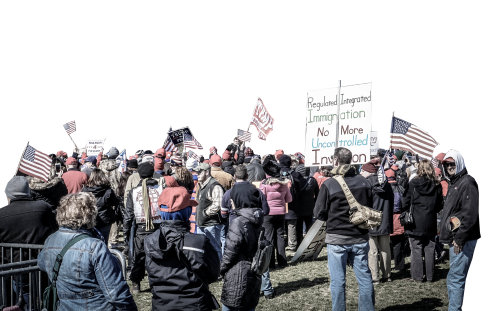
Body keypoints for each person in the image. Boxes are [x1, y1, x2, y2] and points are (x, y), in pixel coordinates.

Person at [37, 192, 137, 310]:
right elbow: (116, 294)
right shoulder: (95, 246)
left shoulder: (50, 240)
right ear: (90, 214)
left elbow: (42, 264)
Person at [313, 147, 375, 311]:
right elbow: (369, 208)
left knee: (338, 281)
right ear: (351, 160)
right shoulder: (364, 182)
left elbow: (318, 212)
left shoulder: (330, 183)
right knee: (364, 278)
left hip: (337, 238)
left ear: (335, 160)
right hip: (359, 237)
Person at [145, 186, 220, 311]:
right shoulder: (199, 242)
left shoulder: (149, 241)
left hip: (162, 305)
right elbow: (214, 274)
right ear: (188, 211)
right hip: (195, 305)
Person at [1, 176, 58, 307]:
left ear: (8, 195)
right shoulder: (43, 207)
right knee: (48, 296)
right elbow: (55, 229)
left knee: (29, 302)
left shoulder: (2, 213)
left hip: (17, 268)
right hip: (44, 265)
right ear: (28, 191)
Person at [220, 165, 276, 299]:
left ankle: (239, 288)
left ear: (234, 176)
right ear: (247, 176)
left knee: (236, 261)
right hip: (256, 229)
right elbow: (266, 211)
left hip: (236, 230)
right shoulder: (257, 191)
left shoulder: (229, 193)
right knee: (259, 257)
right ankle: (267, 289)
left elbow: (223, 213)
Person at [439, 150, 479, 310]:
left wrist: (460, 238)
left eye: (452, 163)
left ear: (460, 163)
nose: (449, 167)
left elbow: (470, 214)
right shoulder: (455, 182)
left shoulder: (467, 182)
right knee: (455, 277)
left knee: (455, 278)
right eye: (446, 164)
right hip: (457, 237)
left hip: (462, 240)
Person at [123, 162, 165, 294]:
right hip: (158, 227)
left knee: (138, 257)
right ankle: (158, 283)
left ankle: (136, 284)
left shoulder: (134, 191)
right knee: (158, 256)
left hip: (141, 228)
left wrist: (126, 233)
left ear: (139, 175)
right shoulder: (161, 189)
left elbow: (128, 216)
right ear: (153, 174)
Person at [401, 159, 443, 283]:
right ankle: (430, 276)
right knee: (429, 249)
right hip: (430, 219)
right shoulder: (437, 184)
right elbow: (440, 205)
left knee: (416, 249)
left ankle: (417, 277)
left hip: (415, 220)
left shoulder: (414, 183)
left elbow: (405, 201)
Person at [220, 204, 264, 311]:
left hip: (237, 274)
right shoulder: (257, 220)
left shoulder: (238, 222)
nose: (231, 202)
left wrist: (221, 269)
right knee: (249, 305)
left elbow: (230, 251)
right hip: (253, 272)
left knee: (230, 305)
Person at [360, 159, 394, 285]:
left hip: (371, 220)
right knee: (385, 249)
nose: (361, 174)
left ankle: (375, 277)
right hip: (385, 219)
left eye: (362, 171)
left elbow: (363, 203)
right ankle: (387, 275)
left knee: (372, 251)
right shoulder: (387, 184)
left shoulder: (366, 184)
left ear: (368, 172)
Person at [260, 156, 292, 268]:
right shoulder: (284, 184)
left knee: (269, 237)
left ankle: (271, 263)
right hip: (281, 212)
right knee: (280, 236)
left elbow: (261, 199)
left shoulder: (264, 184)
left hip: (268, 214)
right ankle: (282, 262)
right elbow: (289, 199)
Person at [193, 163, 225, 261]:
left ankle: (218, 271)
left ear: (207, 172)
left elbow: (217, 204)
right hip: (201, 224)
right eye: (197, 172)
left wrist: (205, 214)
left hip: (211, 224)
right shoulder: (201, 185)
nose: (197, 174)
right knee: (202, 249)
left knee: (214, 248)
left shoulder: (215, 186)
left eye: (200, 172)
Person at [80, 168, 120, 246]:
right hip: (104, 220)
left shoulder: (85, 190)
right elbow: (115, 203)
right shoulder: (108, 191)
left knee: (90, 243)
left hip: (90, 219)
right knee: (103, 242)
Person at [280, 154, 304, 252]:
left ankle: (281, 244)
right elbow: (300, 189)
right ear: (290, 162)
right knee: (291, 225)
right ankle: (292, 245)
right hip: (292, 204)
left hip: (279, 204)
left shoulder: (276, 173)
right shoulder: (295, 174)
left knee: (280, 226)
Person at [294, 160, 319, 248]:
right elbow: (317, 193)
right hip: (310, 206)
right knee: (309, 226)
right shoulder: (313, 180)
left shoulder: (296, 181)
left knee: (299, 227)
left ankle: (299, 244)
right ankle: (309, 245)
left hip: (299, 207)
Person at [387, 166, 407, 273]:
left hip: (387, 219)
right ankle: (400, 265)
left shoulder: (384, 188)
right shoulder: (401, 188)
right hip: (399, 219)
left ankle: (387, 266)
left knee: (385, 246)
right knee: (398, 244)